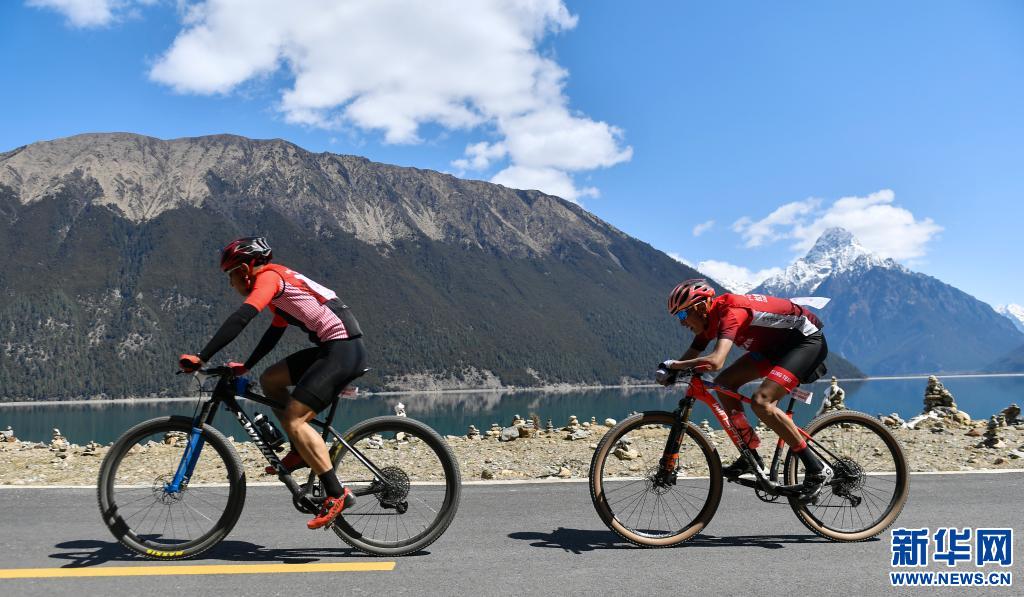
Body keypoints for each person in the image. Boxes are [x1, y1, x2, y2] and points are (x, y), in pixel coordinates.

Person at [178, 237, 367, 529]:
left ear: (244, 269)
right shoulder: (281, 282)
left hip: (342, 350)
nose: (230, 283)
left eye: (230, 275)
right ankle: (300, 450)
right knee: (271, 379)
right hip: (334, 347)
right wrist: (247, 366)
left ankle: (336, 493)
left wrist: (202, 357)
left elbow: (242, 317)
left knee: (295, 419)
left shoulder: (269, 278)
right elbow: (274, 332)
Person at [659, 279, 832, 501]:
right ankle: (751, 456)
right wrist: (673, 370)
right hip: (773, 349)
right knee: (724, 385)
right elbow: (692, 354)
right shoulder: (708, 320)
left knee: (762, 402)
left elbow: (716, 361)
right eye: (677, 317)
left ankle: (816, 469)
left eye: (683, 314)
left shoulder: (730, 313)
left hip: (805, 341)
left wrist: (673, 366)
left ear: (700, 307)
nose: (681, 322)